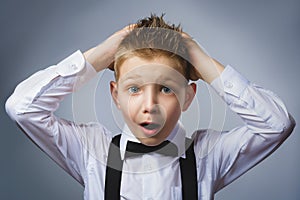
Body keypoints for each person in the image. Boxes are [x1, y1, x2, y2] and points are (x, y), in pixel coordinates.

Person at [5, 14, 295, 200]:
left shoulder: (209, 156)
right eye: (134, 89)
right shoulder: (90, 150)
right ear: (115, 95)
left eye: (166, 89)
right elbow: (22, 107)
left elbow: (277, 125)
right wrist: (101, 53)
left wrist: (198, 57)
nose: (150, 105)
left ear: (188, 96)